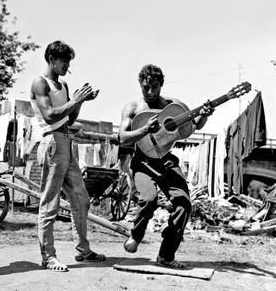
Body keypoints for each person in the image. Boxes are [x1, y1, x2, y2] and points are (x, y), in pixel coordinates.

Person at [119, 64, 214, 269]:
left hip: (166, 160)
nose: (150, 92)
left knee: (183, 204)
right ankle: (136, 234)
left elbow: (191, 126)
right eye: (146, 87)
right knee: (149, 198)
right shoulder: (133, 108)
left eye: (155, 87)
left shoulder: (174, 106)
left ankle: (165, 255)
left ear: (161, 84)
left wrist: (204, 114)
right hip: (142, 161)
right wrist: (144, 129)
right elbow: (122, 138)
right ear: (140, 85)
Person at [30, 40, 106, 272]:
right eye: (64, 61)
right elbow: (51, 116)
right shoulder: (39, 83)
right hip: (51, 141)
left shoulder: (62, 85)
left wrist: (79, 102)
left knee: (81, 199)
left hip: (66, 141)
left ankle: (83, 250)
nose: (67, 66)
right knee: (50, 201)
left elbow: (69, 120)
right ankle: (48, 256)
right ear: (51, 59)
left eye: (69, 62)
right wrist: (75, 100)